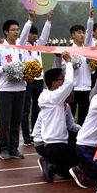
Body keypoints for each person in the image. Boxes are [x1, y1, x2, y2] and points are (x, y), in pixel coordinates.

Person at [38, 51, 80, 179]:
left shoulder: (53, 98)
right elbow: (69, 84)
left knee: (78, 164)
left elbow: (71, 125)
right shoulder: (53, 97)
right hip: (54, 145)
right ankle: (52, 166)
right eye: (60, 79)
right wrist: (68, 62)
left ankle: (52, 164)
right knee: (75, 171)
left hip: (60, 142)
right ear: (53, 82)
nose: (62, 82)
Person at [0, 18, 27, 159]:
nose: (16, 32)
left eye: (17, 29)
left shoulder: (21, 48)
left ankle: (14, 148)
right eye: (13, 30)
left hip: (20, 89)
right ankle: (4, 149)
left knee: (16, 121)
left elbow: (26, 66)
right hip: (5, 90)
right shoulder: (0, 49)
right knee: (5, 122)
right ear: (6, 32)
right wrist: (6, 69)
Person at [17, 9, 53, 146]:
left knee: (37, 110)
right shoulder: (22, 45)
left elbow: (44, 36)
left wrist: (48, 20)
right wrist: (30, 19)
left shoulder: (38, 46)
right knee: (25, 110)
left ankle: (35, 133)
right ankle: (26, 136)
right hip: (27, 80)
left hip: (39, 81)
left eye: (35, 34)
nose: (34, 36)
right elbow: (24, 33)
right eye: (31, 33)